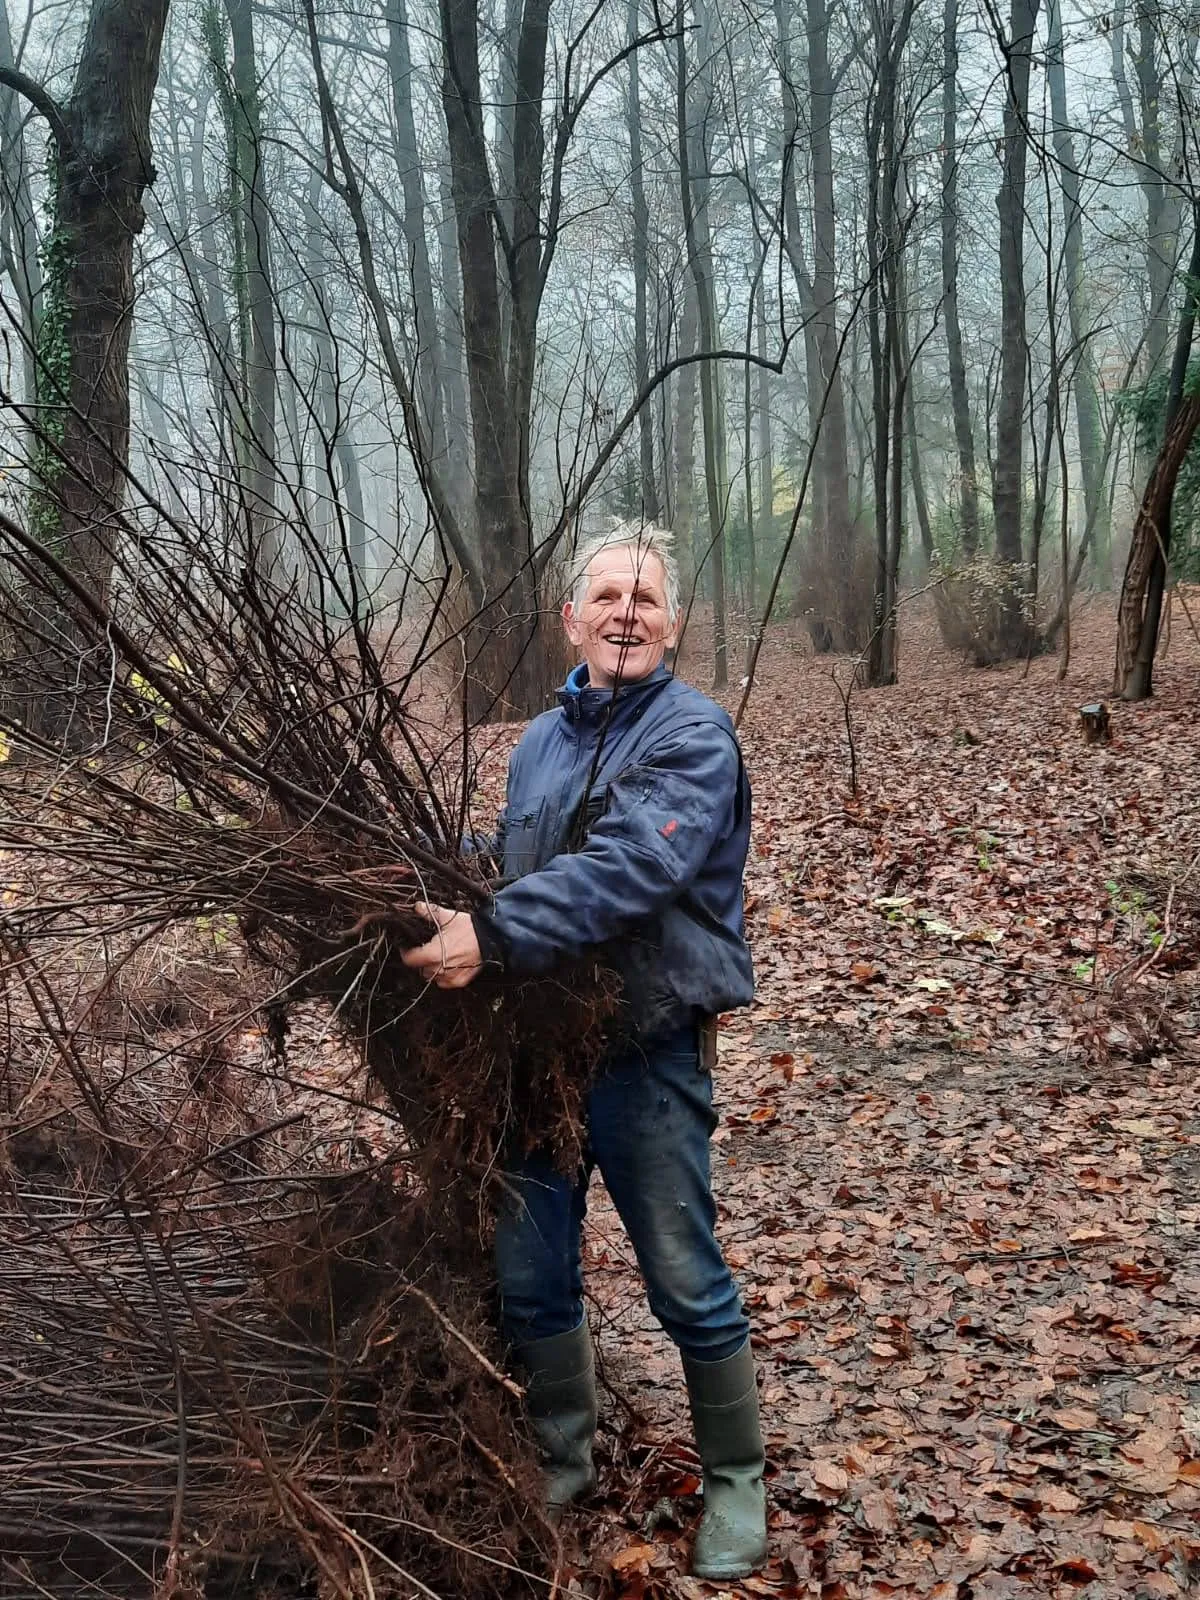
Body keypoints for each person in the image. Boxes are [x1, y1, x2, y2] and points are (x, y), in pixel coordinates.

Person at [401, 523, 765, 1581]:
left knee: (684, 1277)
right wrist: (446, 884)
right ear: (570, 617)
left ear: (674, 624)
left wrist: (496, 933)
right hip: (536, 1057)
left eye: (646, 600)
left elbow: (625, 872)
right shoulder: (539, 743)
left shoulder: (694, 737)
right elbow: (527, 859)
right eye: (606, 596)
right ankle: (563, 1455)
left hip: (647, 1054)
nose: (625, 615)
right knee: (531, 1273)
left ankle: (737, 1484)